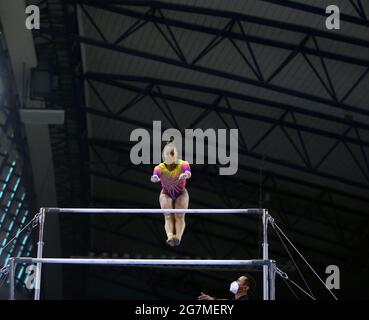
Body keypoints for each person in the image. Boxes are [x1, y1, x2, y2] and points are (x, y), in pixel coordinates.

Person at [150, 138, 191, 247]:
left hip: (181, 193)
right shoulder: (160, 167)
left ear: (176, 154)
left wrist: (185, 175)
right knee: (168, 215)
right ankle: (170, 236)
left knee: (180, 215)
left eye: (172, 153)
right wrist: (155, 178)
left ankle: (178, 237)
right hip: (166, 193)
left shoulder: (183, 164)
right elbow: (155, 175)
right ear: (164, 156)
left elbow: (188, 172)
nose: (170, 156)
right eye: (168, 154)